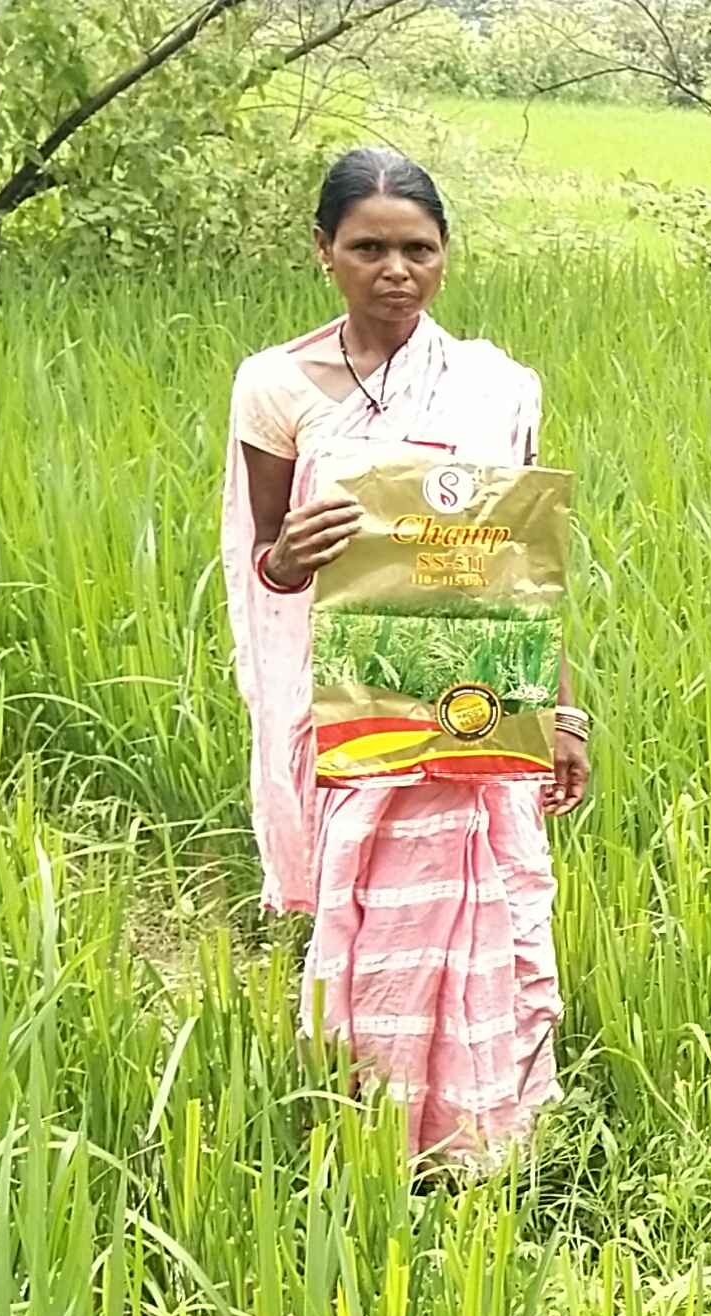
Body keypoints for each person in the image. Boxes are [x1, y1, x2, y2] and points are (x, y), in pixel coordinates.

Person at [222, 146, 584, 1173]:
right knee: (379, 915)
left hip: (477, 694)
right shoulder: (276, 387)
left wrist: (560, 712)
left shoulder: (496, 387)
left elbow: (518, 566)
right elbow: (267, 561)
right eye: (368, 248)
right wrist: (292, 552)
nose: (395, 271)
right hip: (359, 698)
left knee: (488, 905)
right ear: (323, 251)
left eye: (417, 249)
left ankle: (486, 1135)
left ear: (445, 253)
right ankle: (374, 1135)